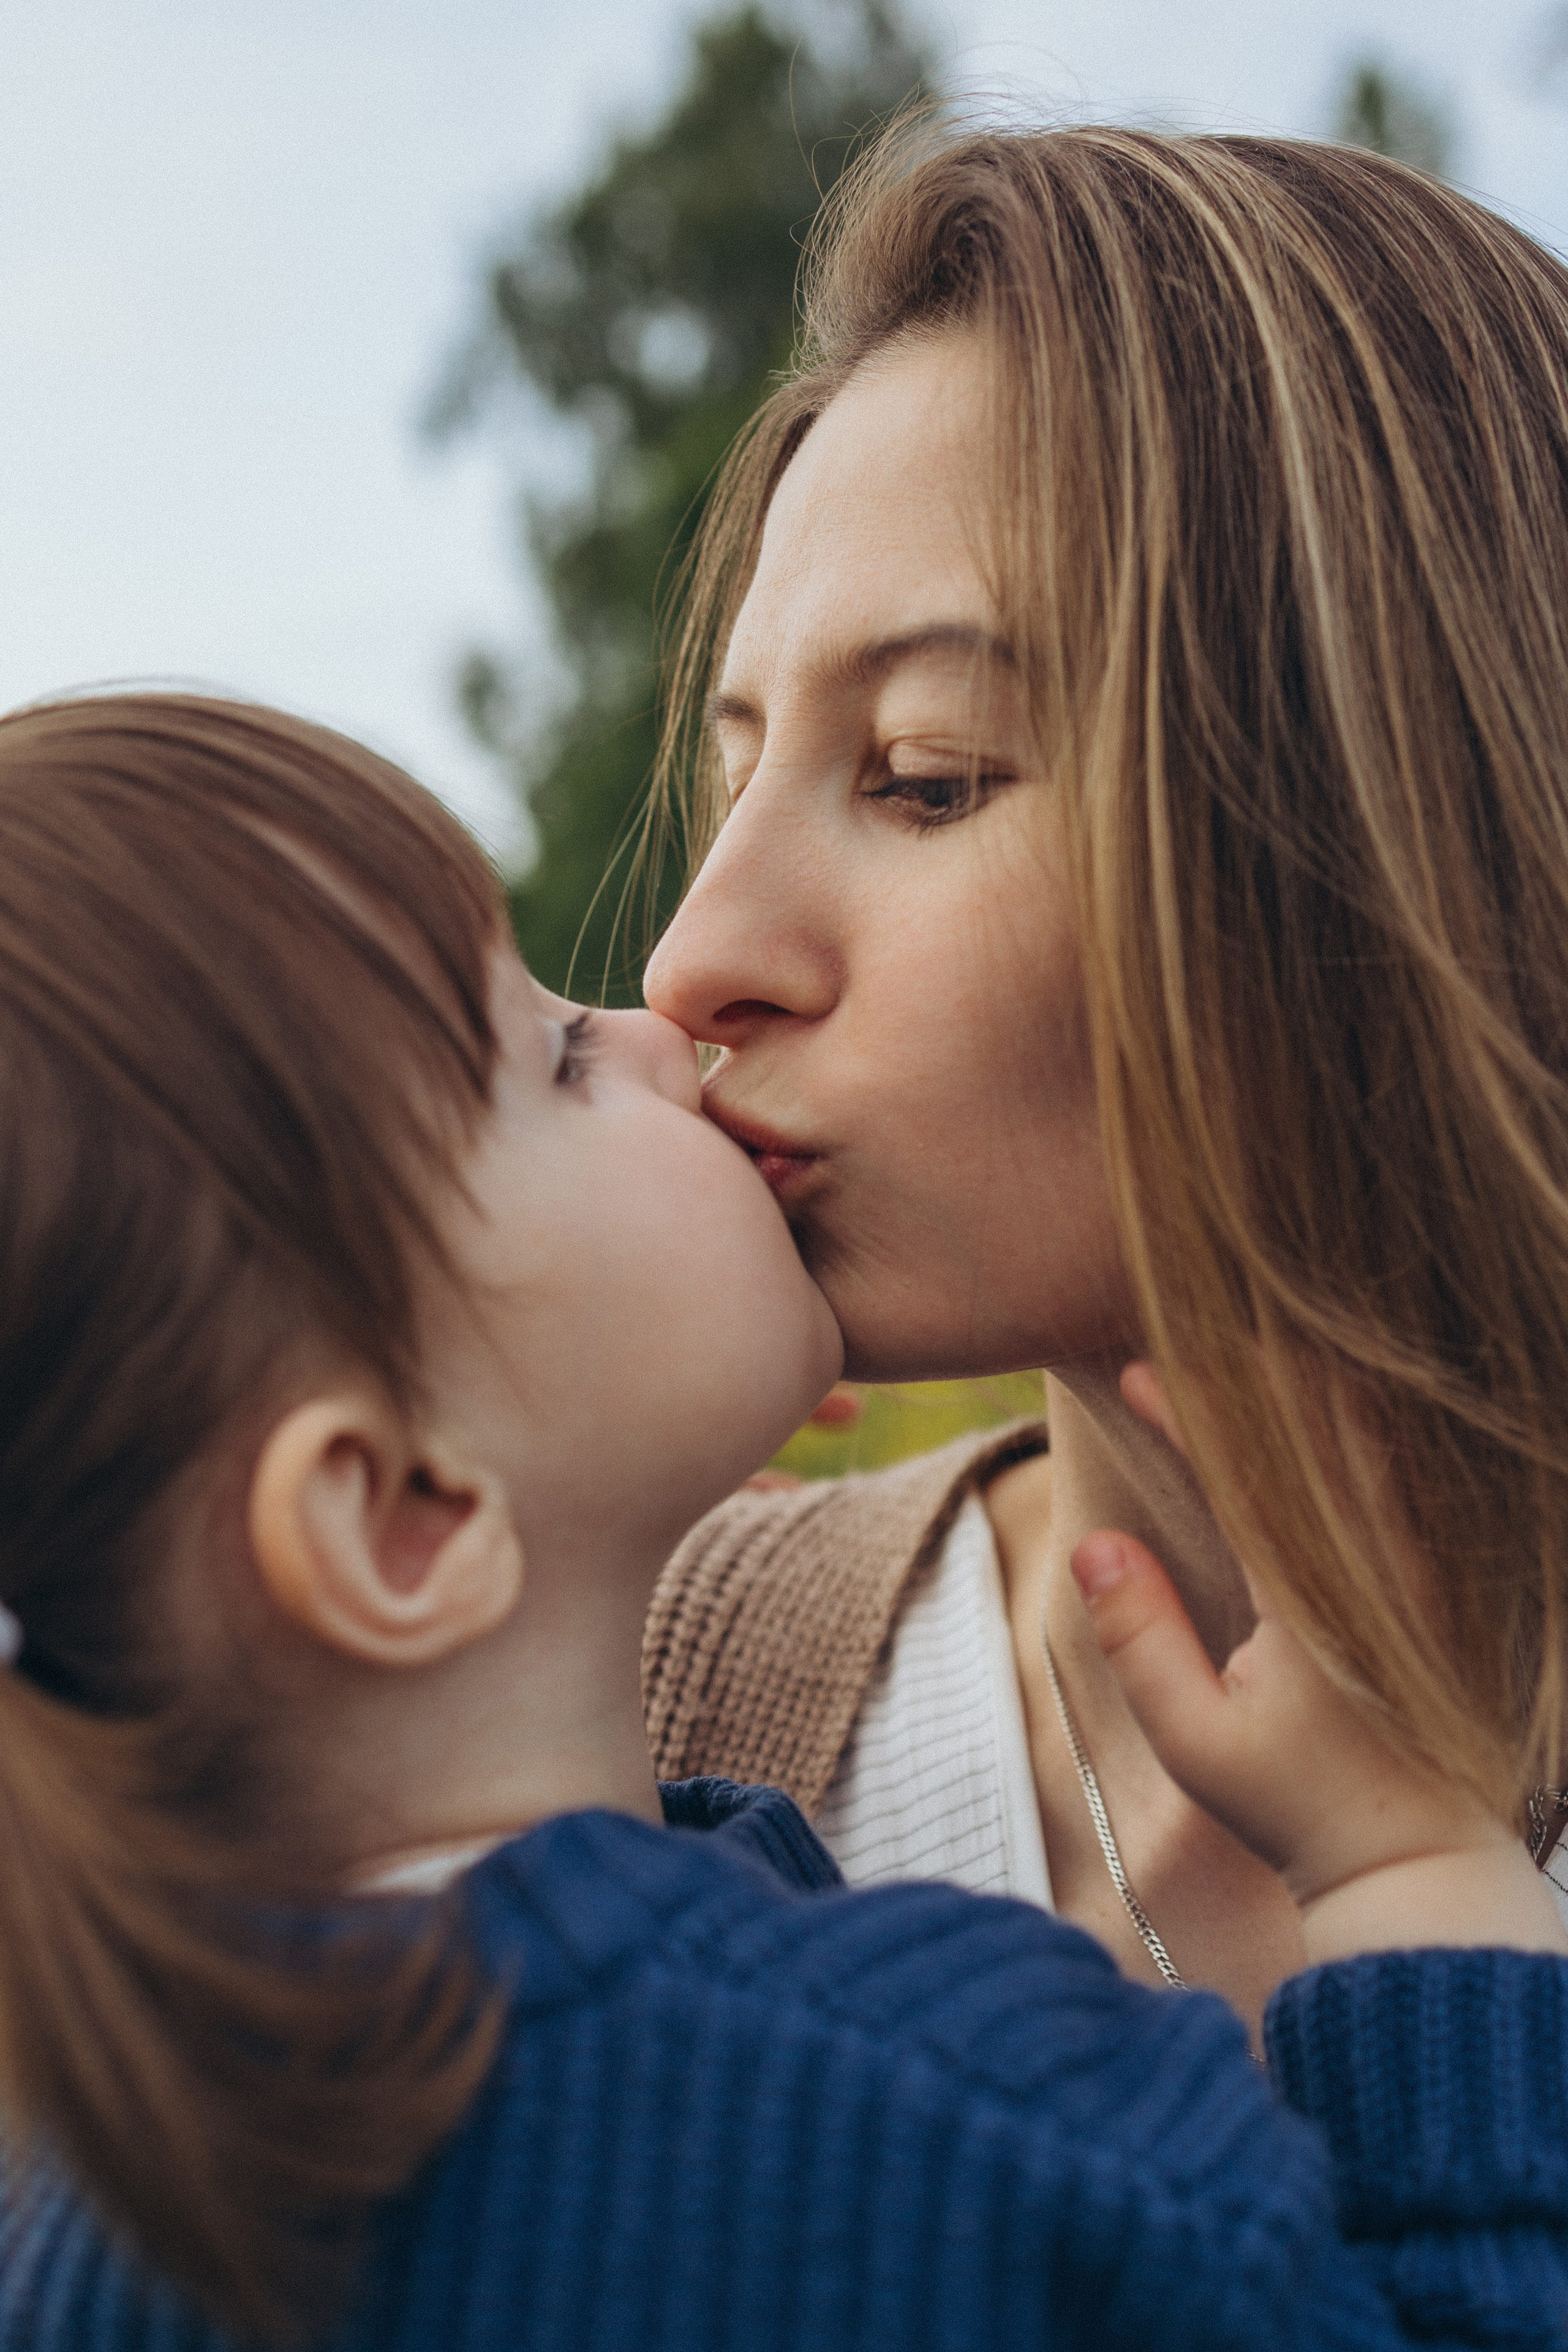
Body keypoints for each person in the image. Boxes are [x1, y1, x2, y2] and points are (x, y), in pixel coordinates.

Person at [0, 692, 1566, 2350]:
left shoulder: (84, 2215)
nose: (665, 1006)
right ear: (403, 1519)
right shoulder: (951, 2116)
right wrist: (1407, 1864)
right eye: (557, 1061)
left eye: (926, 781)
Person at [641, 122, 1568, 2038]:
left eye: (925, 777)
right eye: (736, 786)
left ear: (1407, 816)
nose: (692, 960)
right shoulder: (654, 1693)